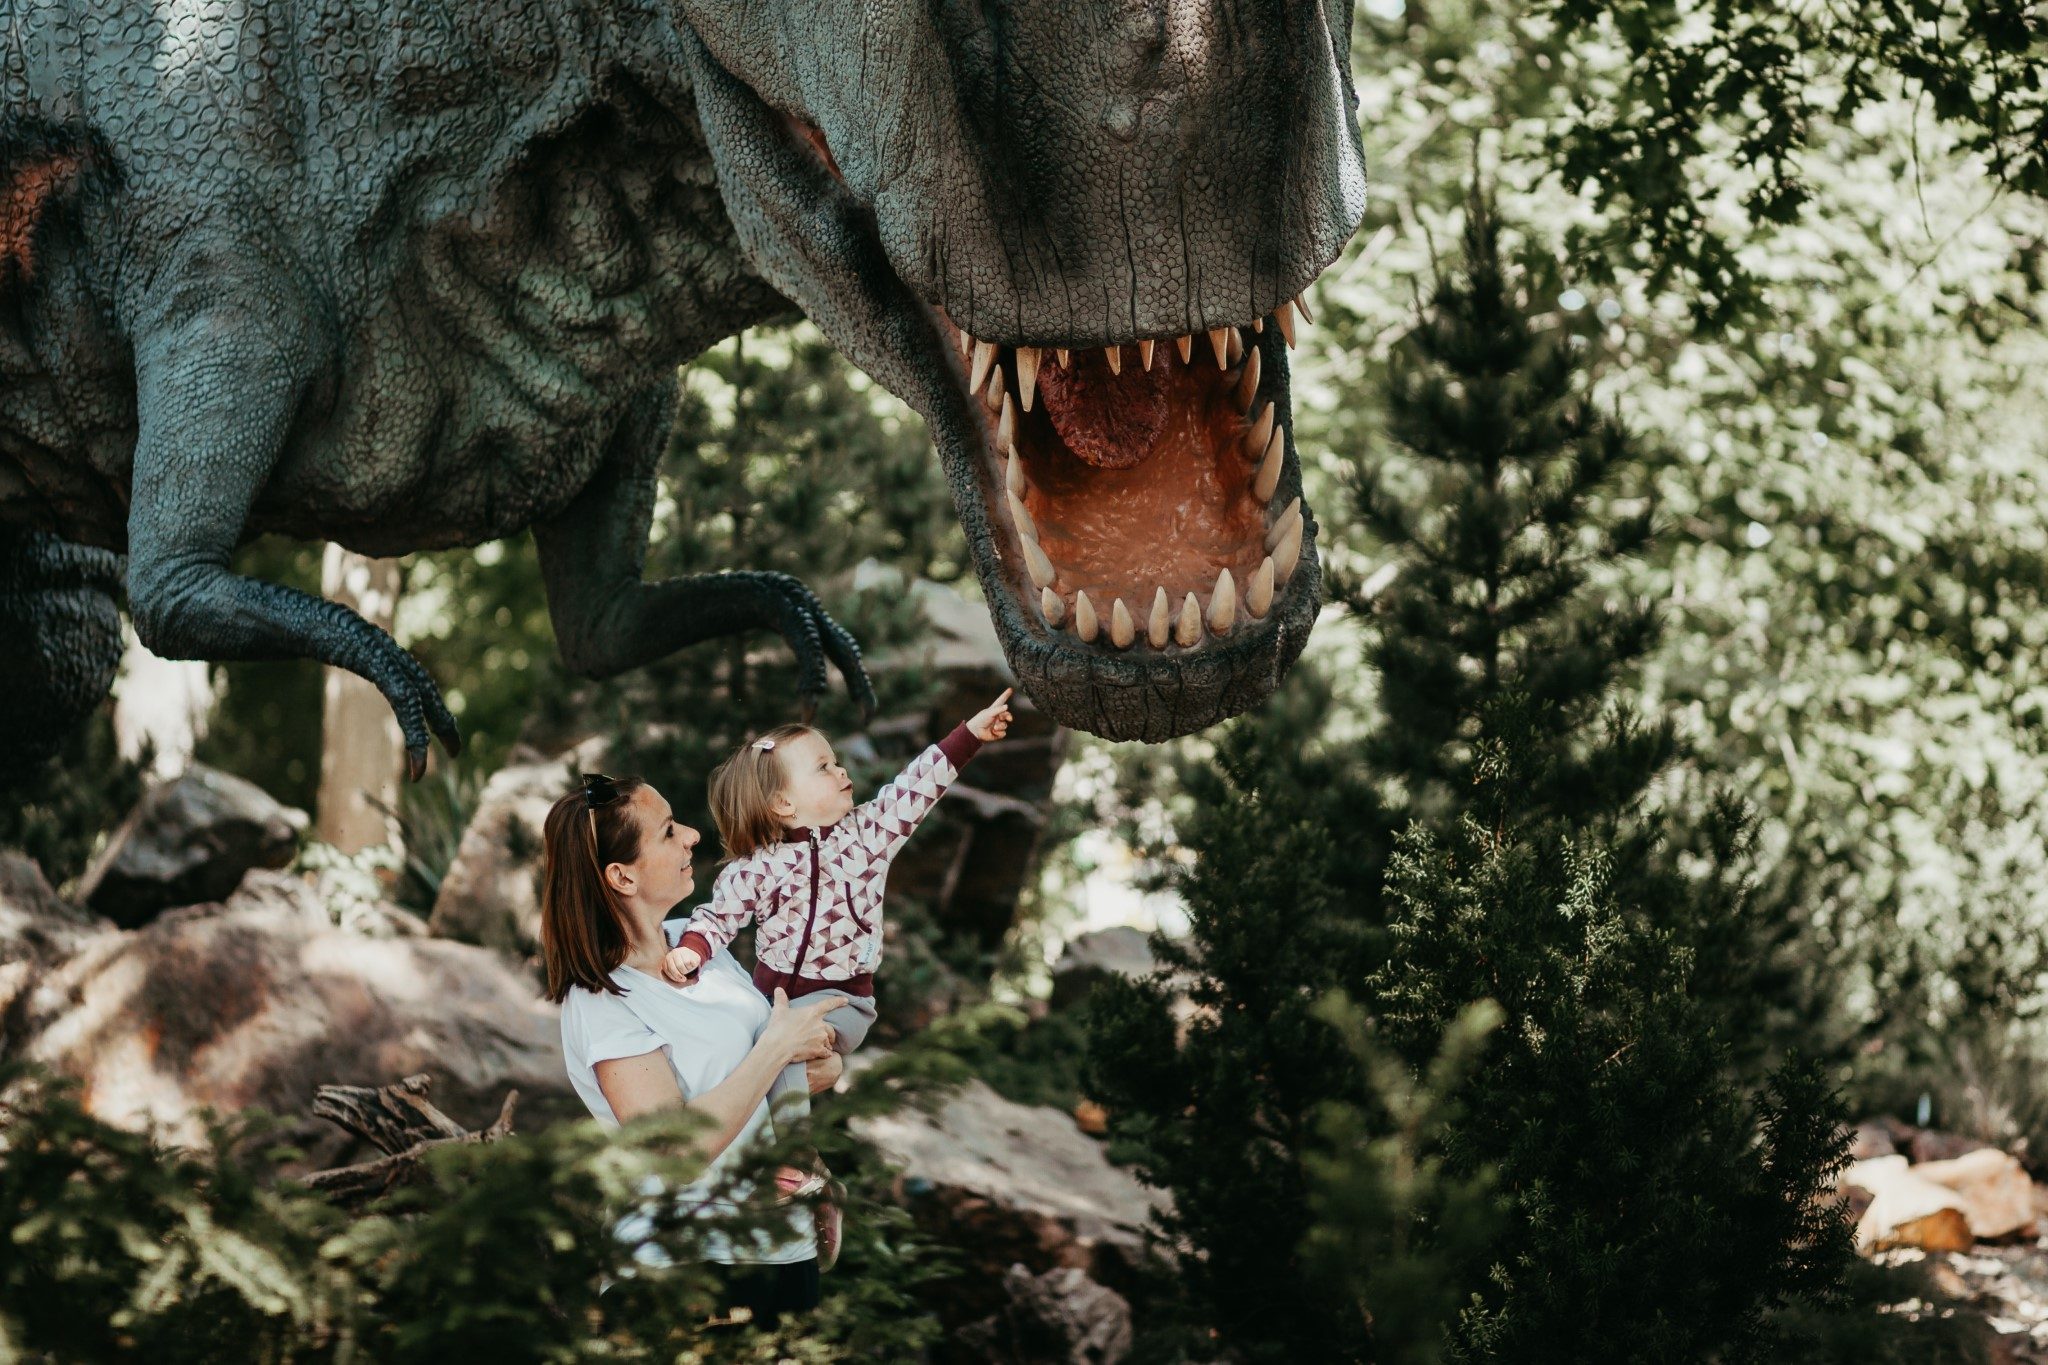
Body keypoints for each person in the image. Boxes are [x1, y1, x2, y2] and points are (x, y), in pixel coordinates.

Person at [540, 772, 841, 1323]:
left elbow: (758, 1074)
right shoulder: (603, 998)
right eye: (668, 831)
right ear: (622, 876)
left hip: (780, 1247)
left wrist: (814, 1069)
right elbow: (673, 1149)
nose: (693, 836)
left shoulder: (698, 943)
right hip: (682, 1265)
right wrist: (777, 1049)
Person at [658, 690, 1015, 1102]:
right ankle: (725, 1122)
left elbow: (915, 789)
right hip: (768, 999)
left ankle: (788, 1139)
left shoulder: (868, 837)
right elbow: (719, 917)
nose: (840, 770)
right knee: (741, 1047)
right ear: (783, 803)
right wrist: (693, 949)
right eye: (823, 767)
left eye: (835, 762)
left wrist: (971, 734)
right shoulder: (757, 867)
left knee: (790, 1049)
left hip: (841, 1000)